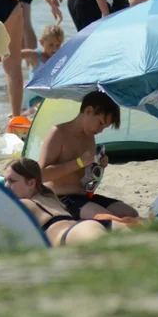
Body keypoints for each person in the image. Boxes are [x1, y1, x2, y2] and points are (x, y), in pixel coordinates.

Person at [37, 91, 138, 220]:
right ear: (88, 110)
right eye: (100, 123)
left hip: (84, 196)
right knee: (108, 218)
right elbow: (41, 175)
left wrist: (98, 165)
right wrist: (78, 162)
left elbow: (85, 176)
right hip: (60, 198)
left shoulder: (89, 137)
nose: (100, 130)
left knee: (130, 214)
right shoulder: (58, 133)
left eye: (105, 127)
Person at [3, 159, 123, 247]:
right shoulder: (49, 195)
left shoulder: (23, 204)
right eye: (5, 181)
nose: (6, 186)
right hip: (91, 225)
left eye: (11, 181)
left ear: (31, 183)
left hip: (72, 234)